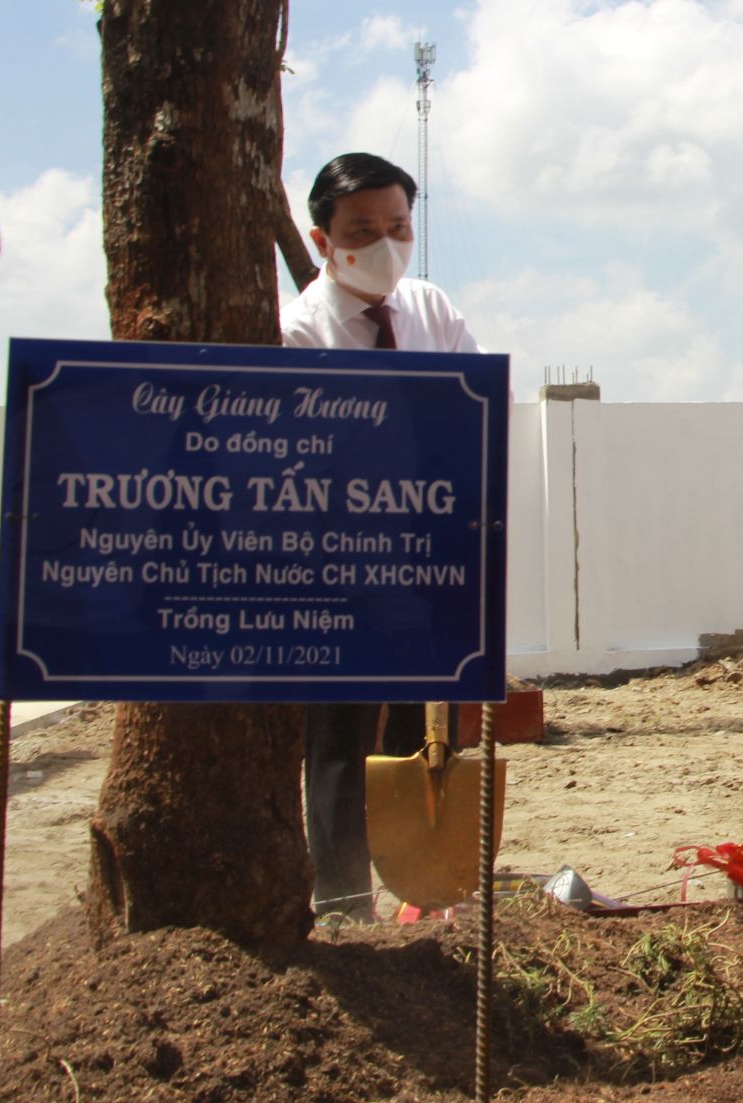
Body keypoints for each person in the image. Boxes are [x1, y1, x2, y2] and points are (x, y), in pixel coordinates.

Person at [281, 152, 479, 920]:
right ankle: (342, 899)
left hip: (433, 557)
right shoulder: (298, 333)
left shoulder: (431, 310)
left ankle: (422, 896)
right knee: (337, 734)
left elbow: (473, 415)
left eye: (399, 226)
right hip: (339, 566)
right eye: (363, 229)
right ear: (321, 238)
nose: (386, 243)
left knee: (423, 723)